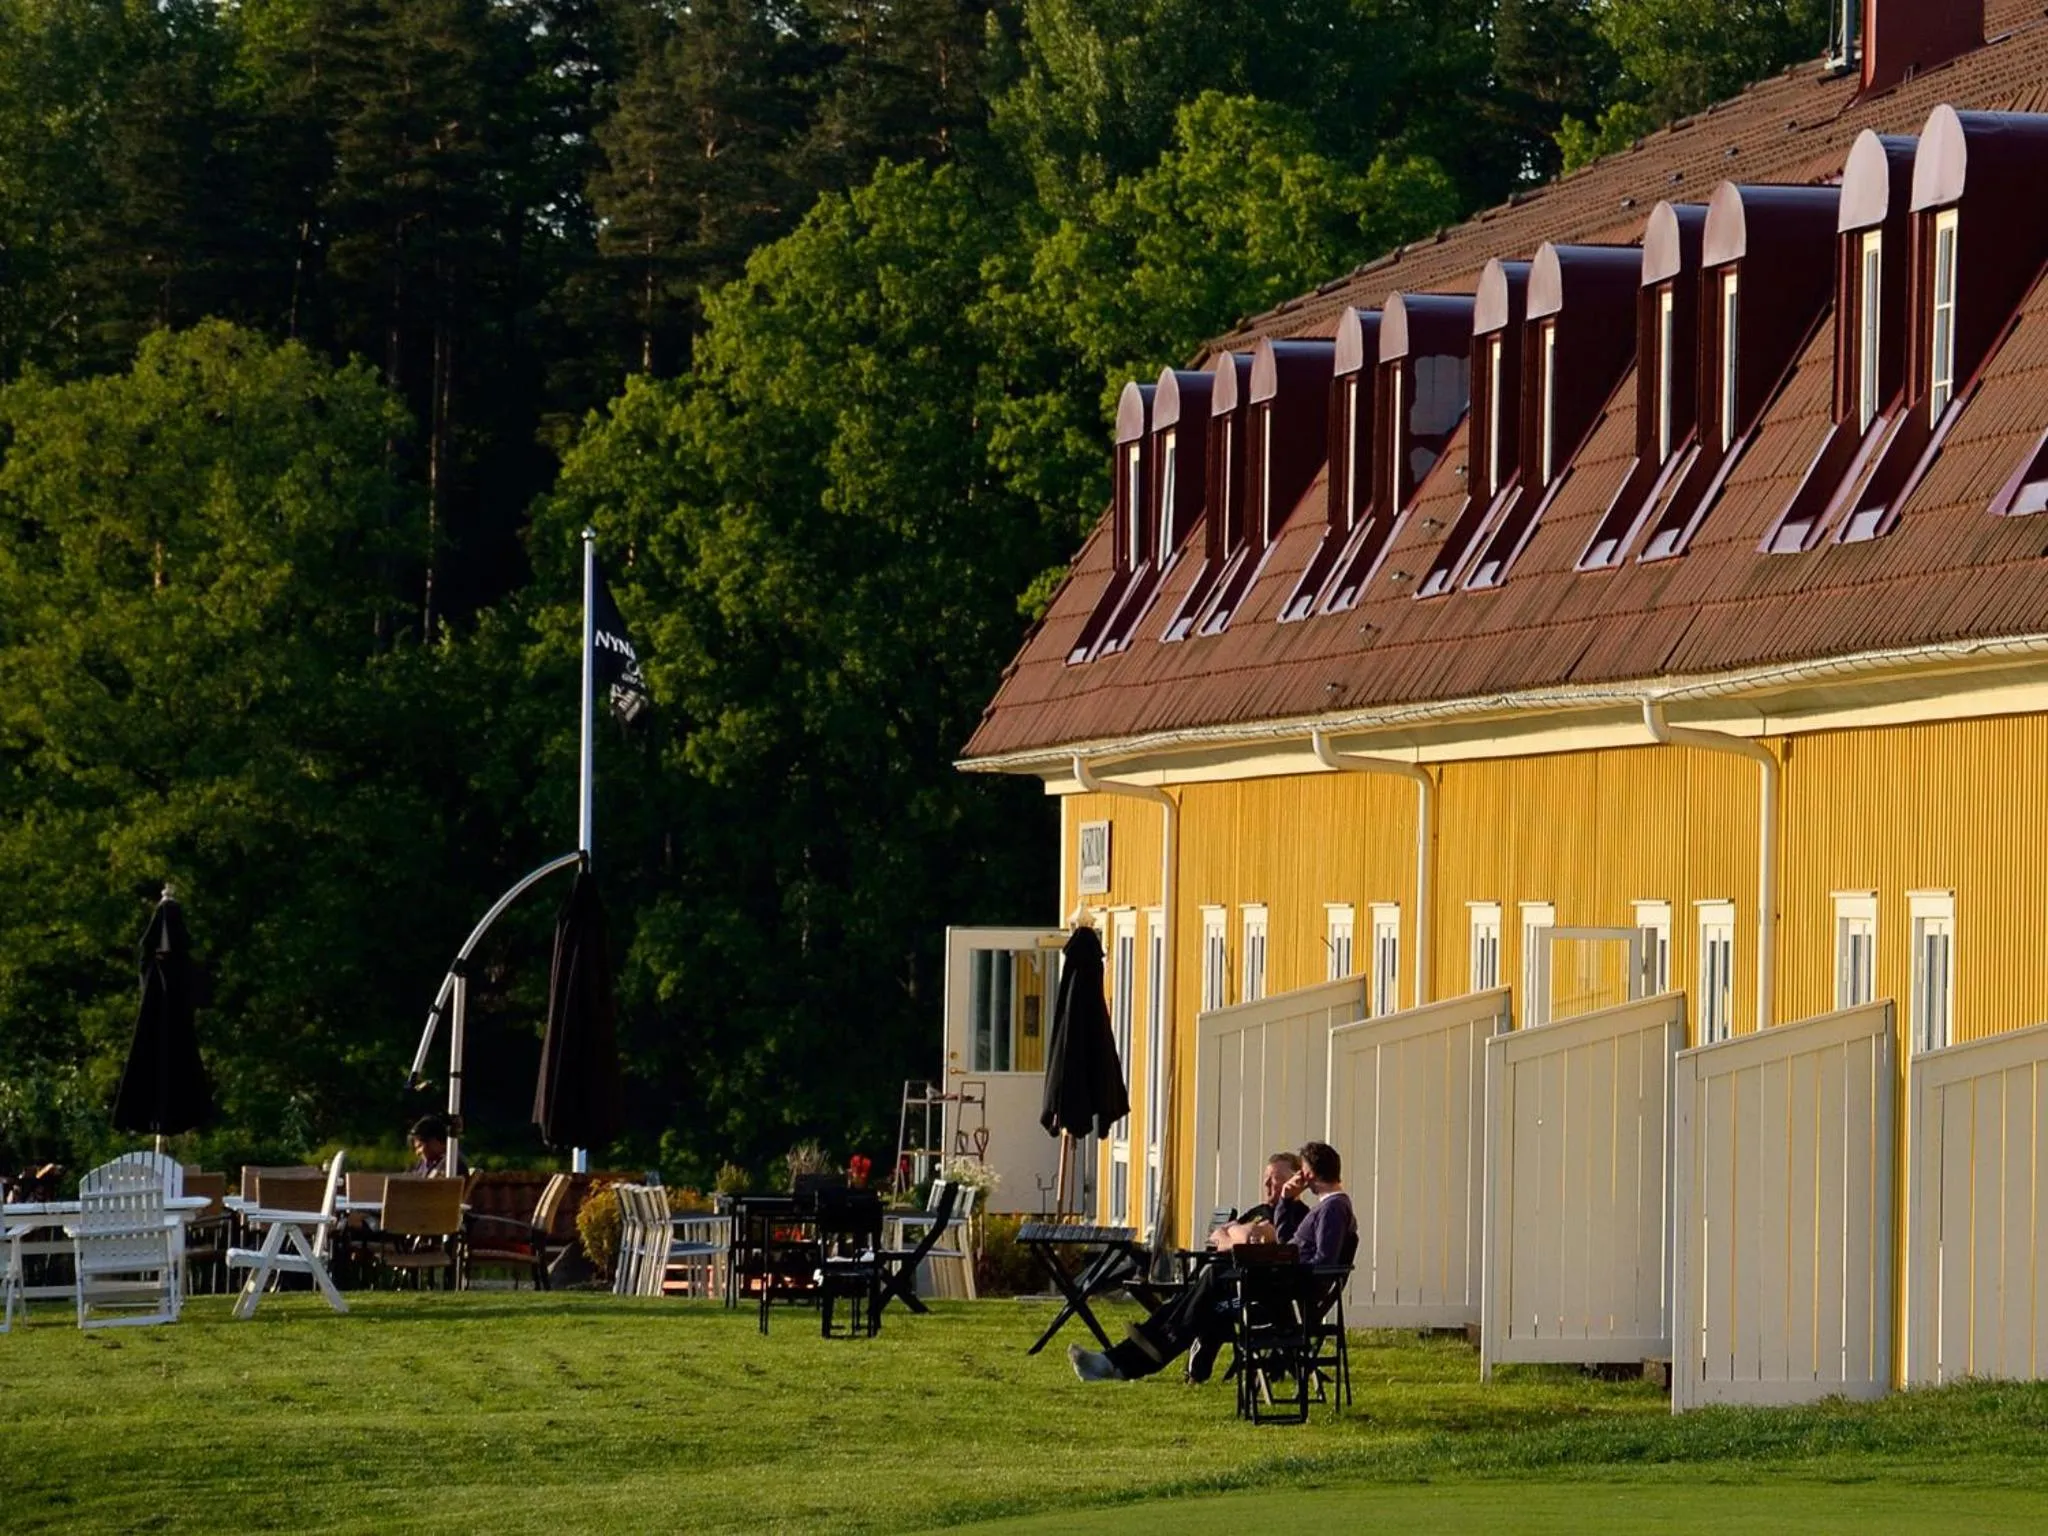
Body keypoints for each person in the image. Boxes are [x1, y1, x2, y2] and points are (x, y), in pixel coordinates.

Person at [1070, 1140, 1355, 1384]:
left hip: (1279, 1296)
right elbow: (1291, 1242)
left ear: (1308, 1172)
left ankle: (1121, 1361)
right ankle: (1118, 1362)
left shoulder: (1332, 1208)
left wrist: (1277, 1263)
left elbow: (1321, 1264)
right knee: (1199, 1299)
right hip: (1276, 1288)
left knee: (1207, 1289)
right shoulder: (1327, 1207)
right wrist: (1285, 1201)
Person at [1207, 1151, 1307, 1250]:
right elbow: (1213, 1239)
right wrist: (1236, 1242)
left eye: (1275, 1178)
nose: (1266, 1183)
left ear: (1295, 1181)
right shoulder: (1259, 1210)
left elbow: (1251, 1235)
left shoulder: (1297, 1214)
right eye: (1266, 1177)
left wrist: (1230, 1231)